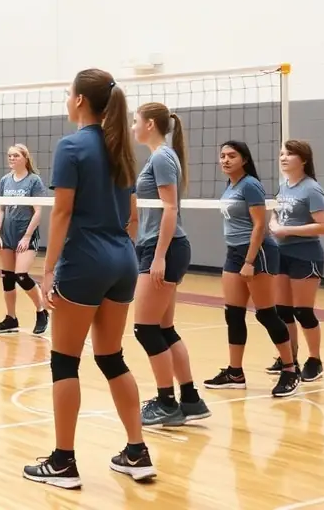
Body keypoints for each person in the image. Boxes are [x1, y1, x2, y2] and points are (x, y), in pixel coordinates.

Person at [23, 68, 154, 490]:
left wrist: (48, 270)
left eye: (68, 94)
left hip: (86, 261)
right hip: (123, 260)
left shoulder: (72, 146)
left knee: (64, 360)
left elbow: (61, 213)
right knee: (111, 356)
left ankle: (63, 462)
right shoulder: (122, 148)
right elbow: (132, 217)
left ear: (80, 101)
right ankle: (137, 451)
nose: (66, 99)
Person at [130, 102, 209, 426]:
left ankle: (166, 402)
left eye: (135, 121)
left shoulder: (162, 156)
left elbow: (170, 209)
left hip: (164, 248)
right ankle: (190, 399)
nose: (133, 126)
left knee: (145, 329)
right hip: (161, 246)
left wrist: (159, 255)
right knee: (163, 328)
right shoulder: (160, 156)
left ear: (150, 124)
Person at [203, 140, 300, 397]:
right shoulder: (230, 185)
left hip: (257, 253)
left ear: (244, 159)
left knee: (266, 314)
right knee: (233, 314)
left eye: (231, 156)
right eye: (222, 155)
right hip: (234, 253)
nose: (225, 160)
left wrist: (249, 261)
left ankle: (290, 370)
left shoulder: (251, 185)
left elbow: (259, 226)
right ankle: (235, 372)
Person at [267, 139, 324, 383]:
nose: (283, 158)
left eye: (289, 154)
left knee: (303, 311)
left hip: (305, 255)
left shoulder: (311, 189)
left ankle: (315, 360)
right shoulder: (284, 188)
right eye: (282, 153)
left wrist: (288, 231)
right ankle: (289, 359)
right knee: (283, 311)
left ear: (303, 159)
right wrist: (273, 225)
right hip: (282, 254)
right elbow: (274, 213)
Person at [0, 143, 48, 336]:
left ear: (25, 157)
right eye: (9, 156)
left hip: (25, 234)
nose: (12, 159)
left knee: (21, 275)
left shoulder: (34, 181)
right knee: (7, 278)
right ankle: (11, 318)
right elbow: (0, 208)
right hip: (7, 234)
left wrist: (27, 236)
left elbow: (39, 211)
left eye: (15, 156)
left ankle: (41, 311)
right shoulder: (5, 180)